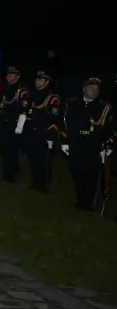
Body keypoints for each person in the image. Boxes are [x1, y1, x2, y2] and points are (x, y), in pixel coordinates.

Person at [61, 77, 112, 211]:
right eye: (91, 87)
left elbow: (109, 127)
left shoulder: (103, 107)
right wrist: (65, 141)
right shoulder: (73, 104)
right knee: (76, 172)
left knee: (92, 175)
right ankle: (81, 200)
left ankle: (89, 204)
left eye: (97, 88)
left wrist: (108, 145)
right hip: (76, 143)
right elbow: (66, 123)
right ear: (84, 89)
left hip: (93, 145)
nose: (94, 90)